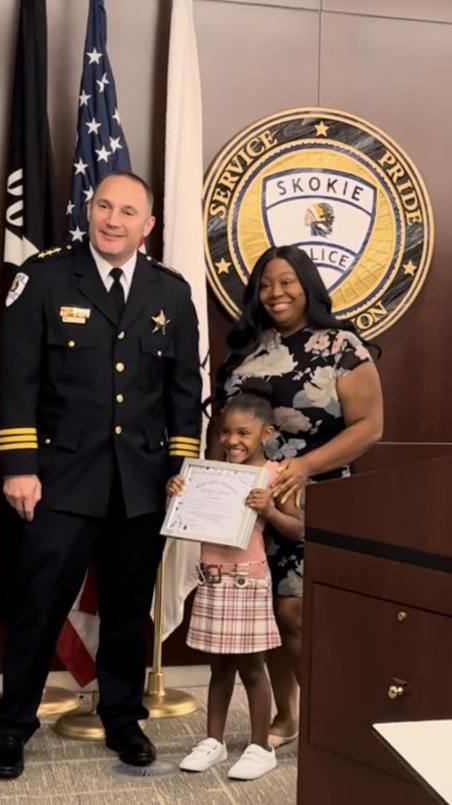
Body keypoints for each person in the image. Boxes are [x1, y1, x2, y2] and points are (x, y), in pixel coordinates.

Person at [0, 171, 202, 779]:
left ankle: (123, 717)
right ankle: (11, 727)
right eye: (104, 205)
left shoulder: (171, 291)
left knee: (130, 610)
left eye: (128, 211)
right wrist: (19, 468)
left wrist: (181, 472)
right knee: (40, 605)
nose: (114, 219)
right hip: (59, 479)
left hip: (142, 482)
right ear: (89, 208)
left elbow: (185, 390)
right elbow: (15, 377)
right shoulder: (46, 277)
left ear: (148, 225)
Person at [211, 244, 383, 748]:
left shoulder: (342, 346)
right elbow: (226, 427)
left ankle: (335, 719)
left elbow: (371, 426)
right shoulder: (247, 349)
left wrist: (303, 466)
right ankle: (287, 718)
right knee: (265, 614)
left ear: (307, 284)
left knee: (295, 613)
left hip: (317, 498)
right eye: (265, 285)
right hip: (248, 504)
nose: (275, 293)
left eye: (286, 282)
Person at [169, 389, 304, 780]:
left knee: (252, 668)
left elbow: (298, 529)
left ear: (266, 434)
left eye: (244, 433)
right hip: (211, 579)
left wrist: (271, 510)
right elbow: (181, 518)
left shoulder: (277, 475)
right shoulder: (207, 472)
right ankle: (214, 741)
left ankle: (260, 747)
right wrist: (174, 493)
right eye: (226, 432)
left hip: (249, 581)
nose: (232, 441)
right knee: (219, 667)